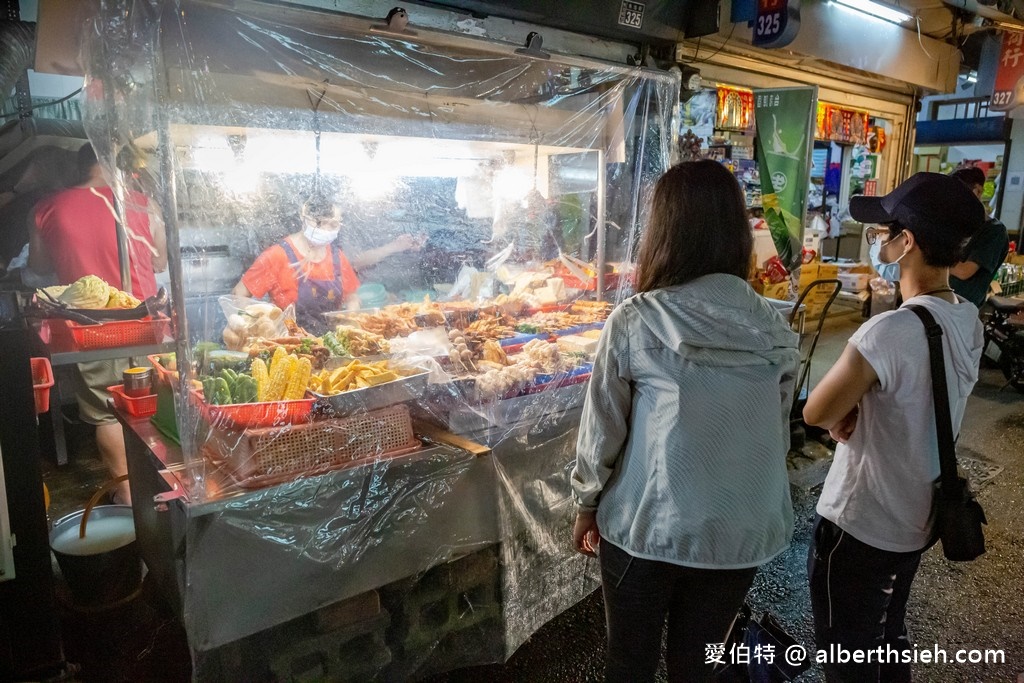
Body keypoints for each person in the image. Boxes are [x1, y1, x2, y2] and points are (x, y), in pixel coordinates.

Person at [570, 160, 801, 682]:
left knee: (629, 662)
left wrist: (586, 504)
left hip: (647, 528)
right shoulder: (776, 326)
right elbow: (776, 432)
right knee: (699, 667)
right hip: (739, 532)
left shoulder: (636, 319)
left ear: (662, 230)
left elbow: (601, 430)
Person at [803, 172, 985, 683]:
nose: (879, 240)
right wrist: (868, 405)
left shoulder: (889, 329)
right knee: (886, 636)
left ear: (909, 242)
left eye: (886, 231)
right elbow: (919, 395)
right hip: (916, 518)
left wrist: (851, 406)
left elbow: (815, 411)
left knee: (848, 656)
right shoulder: (966, 317)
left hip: (862, 521)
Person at [29, 142, 168, 506]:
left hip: (90, 331)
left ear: (82, 167)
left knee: (109, 414)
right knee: (155, 405)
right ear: (114, 165)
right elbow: (160, 262)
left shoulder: (47, 207)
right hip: (146, 322)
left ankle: (127, 498)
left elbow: (40, 267)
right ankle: (165, 486)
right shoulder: (142, 203)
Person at [232, 192, 423, 332]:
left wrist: (350, 321)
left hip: (331, 345)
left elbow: (352, 296)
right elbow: (239, 295)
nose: (332, 229)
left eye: (336, 224)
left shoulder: (335, 256)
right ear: (306, 219)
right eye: (327, 223)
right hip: (289, 347)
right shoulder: (277, 255)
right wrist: (264, 325)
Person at [948, 166, 1009, 308]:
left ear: (978, 191)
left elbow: (964, 271)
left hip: (962, 309)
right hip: (939, 303)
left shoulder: (994, 231)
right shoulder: (955, 225)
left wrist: (932, 259)